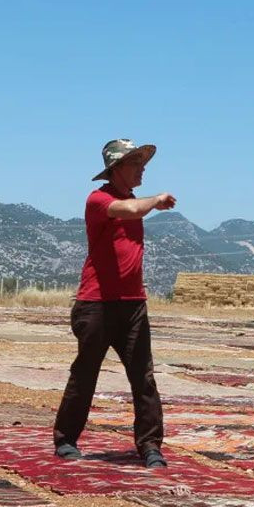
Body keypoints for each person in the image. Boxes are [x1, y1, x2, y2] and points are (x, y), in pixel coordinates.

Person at [52, 139, 176, 468]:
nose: (142, 169)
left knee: (143, 377)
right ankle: (66, 439)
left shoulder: (134, 201)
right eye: (135, 163)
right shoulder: (99, 199)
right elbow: (130, 210)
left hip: (133, 305)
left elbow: (134, 210)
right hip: (97, 304)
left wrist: (149, 203)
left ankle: (150, 446)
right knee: (85, 373)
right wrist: (157, 200)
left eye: (142, 163)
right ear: (116, 168)